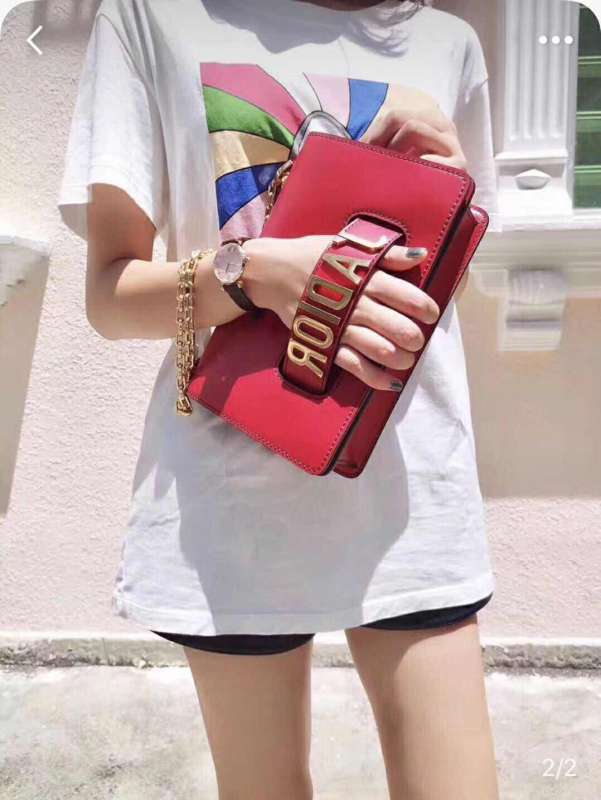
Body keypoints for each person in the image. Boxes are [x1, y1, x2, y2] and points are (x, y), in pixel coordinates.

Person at [58, 0, 500, 797]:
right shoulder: (150, 18)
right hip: (235, 503)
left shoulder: (444, 42)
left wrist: (439, 197)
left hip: (408, 492)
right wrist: (253, 272)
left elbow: (438, 301)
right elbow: (110, 297)